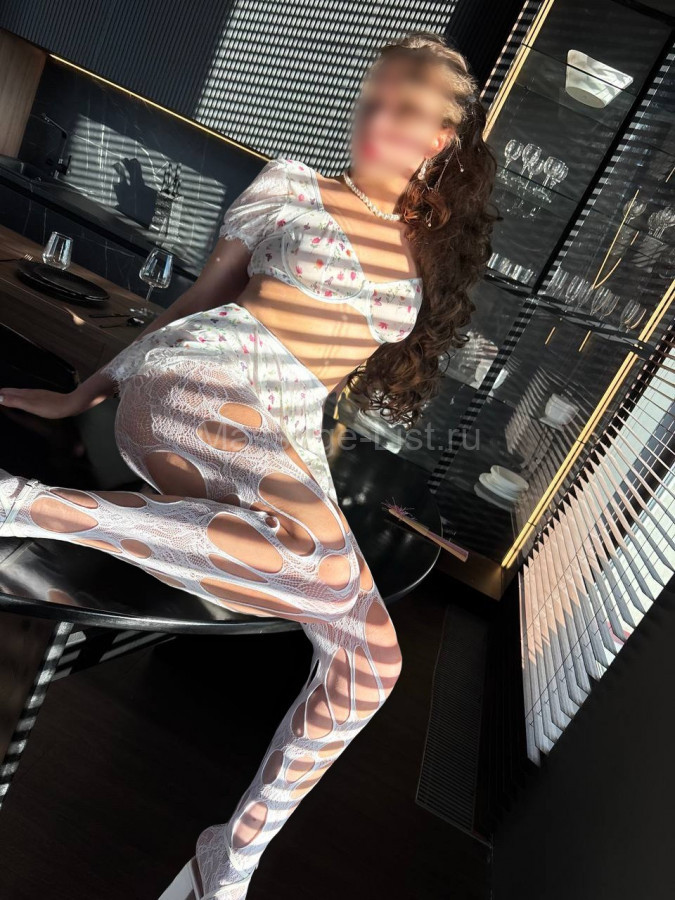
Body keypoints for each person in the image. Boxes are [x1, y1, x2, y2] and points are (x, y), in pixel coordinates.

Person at [0, 31, 497, 900]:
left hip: (286, 424)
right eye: (372, 97)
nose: (377, 118)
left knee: (372, 664)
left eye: (405, 109)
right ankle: (24, 503)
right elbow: (200, 296)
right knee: (317, 568)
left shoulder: (423, 245)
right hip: (204, 374)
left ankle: (227, 861)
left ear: (442, 138)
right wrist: (84, 393)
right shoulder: (294, 183)